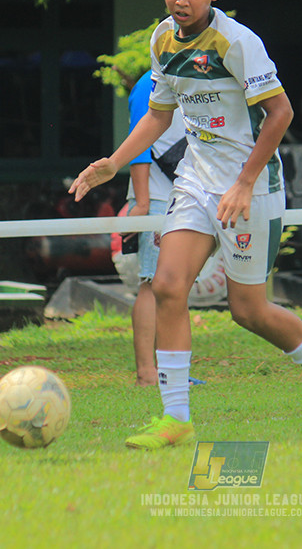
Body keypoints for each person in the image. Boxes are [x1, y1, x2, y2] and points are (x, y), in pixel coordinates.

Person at [71, 0, 302, 449]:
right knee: (167, 286)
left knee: (248, 310)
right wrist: (114, 163)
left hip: (252, 187)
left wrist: (245, 182)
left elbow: (281, 114)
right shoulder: (163, 40)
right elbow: (159, 115)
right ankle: (176, 418)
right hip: (196, 182)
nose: (182, 0)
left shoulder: (238, 43)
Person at [123, 70, 188, 386]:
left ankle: (169, 371)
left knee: (174, 285)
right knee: (151, 283)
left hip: (182, 195)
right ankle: (148, 372)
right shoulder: (148, 84)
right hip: (158, 198)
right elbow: (139, 143)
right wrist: (143, 202)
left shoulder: (188, 77)